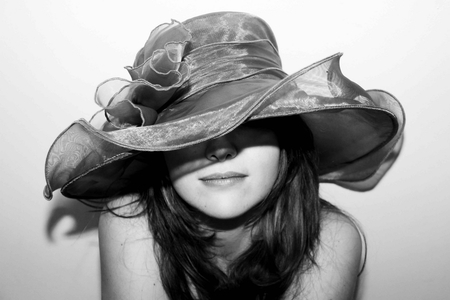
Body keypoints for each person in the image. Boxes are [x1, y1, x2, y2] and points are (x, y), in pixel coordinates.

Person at [43, 12, 405, 300]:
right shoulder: (130, 224)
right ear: (161, 151)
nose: (221, 148)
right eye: (192, 130)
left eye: (250, 123)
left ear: (286, 141)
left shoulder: (332, 239)